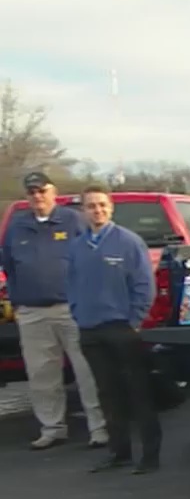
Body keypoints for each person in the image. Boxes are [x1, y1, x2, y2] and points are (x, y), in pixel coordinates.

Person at [0, 171, 109, 450]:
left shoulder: (73, 221)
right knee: (42, 375)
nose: (37, 196)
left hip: (71, 309)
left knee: (87, 371)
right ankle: (52, 428)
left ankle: (99, 427)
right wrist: (19, 300)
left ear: (53, 192)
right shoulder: (17, 225)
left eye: (42, 190)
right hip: (32, 312)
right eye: (32, 192)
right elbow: (9, 266)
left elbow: (93, 259)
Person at [66, 186, 160, 474]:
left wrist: (134, 321)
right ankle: (120, 453)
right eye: (91, 206)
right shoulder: (77, 246)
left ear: (111, 208)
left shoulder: (129, 242)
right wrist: (77, 312)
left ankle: (150, 456)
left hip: (121, 328)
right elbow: (70, 284)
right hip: (90, 330)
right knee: (107, 393)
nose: (98, 211)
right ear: (83, 211)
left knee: (137, 392)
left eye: (103, 205)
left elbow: (145, 286)